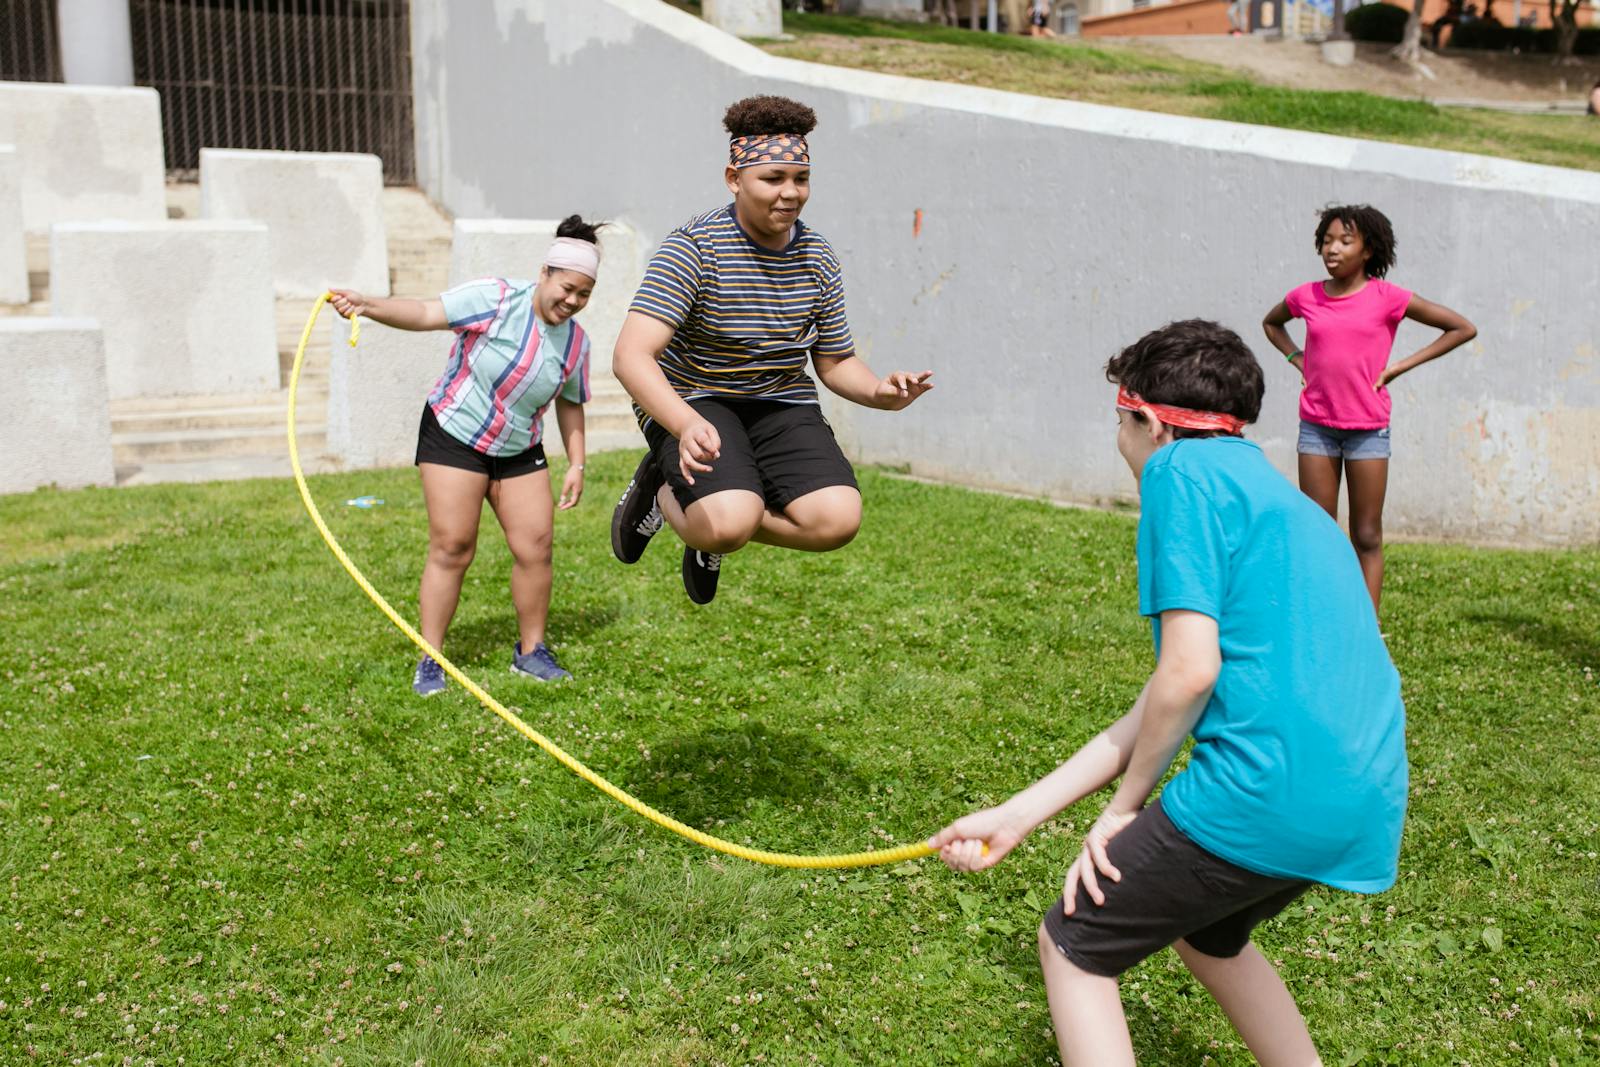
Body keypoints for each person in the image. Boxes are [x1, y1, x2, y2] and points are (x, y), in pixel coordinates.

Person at [931, 320, 1408, 1067]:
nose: (1121, 442)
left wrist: (1123, 813)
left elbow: (1189, 671)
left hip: (1264, 790)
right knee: (1208, 932)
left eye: (1120, 423)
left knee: (1073, 943)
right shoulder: (1285, 503)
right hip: (1362, 793)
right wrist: (1017, 815)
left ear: (1149, 421)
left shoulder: (1178, 476)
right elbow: (1165, 699)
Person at [610, 95, 933, 605]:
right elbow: (631, 355)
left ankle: (715, 513)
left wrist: (879, 391)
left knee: (836, 522)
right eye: (773, 178)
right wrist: (683, 424)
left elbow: (834, 361)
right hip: (694, 397)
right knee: (725, 524)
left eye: (800, 178)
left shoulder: (817, 255)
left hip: (779, 401)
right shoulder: (694, 247)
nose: (790, 193)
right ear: (734, 178)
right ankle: (673, 495)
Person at [328, 216, 601, 695]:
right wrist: (367, 305)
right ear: (545, 273)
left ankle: (531, 652)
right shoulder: (496, 299)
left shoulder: (577, 342)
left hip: (519, 448)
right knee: (453, 547)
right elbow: (424, 312)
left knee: (535, 548)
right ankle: (430, 658)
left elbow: (571, 402)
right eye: (567, 287)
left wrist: (577, 463)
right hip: (454, 435)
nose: (572, 301)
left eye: (584, 294)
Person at [1262, 205, 1475, 614]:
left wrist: (1399, 366)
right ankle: (1320, 618)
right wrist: (1297, 358)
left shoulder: (1387, 298)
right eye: (1326, 241)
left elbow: (1462, 328)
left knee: (1366, 535)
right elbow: (1272, 324)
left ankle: (1366, 630)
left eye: (1345, 241)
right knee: (1318, 533)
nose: (1333, 249)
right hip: (1317, 429)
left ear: (1368, 250)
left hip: (1367, 431)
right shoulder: (1306, 296)